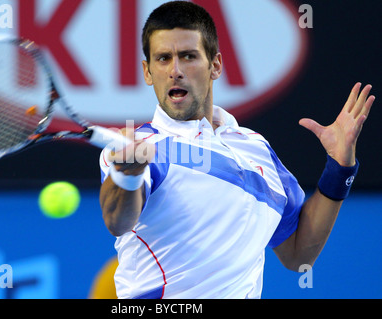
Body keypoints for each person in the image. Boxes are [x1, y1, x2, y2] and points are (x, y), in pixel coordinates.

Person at [98, 1, 375, 299]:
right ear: (148, 71)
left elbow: (297, 254)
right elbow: (118, 222)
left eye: (188, 56)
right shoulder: (141, 149)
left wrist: (339, 167)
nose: (175, 71)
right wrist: (127, 174)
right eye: (163, 59)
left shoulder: (256, 148)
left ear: (215, 65)